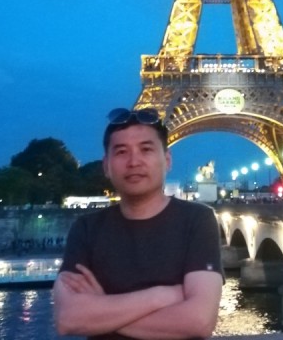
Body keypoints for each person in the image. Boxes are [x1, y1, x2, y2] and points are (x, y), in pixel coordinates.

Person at [54, 107, 223, 340]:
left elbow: (199, 322)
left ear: (167, 160)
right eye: (122, 152)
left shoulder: (198, 219)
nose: (134, 161)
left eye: (146, 149)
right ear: (106, 166)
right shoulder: (85, 228)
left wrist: (101, 309)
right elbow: (68, 319)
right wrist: (160, 296)